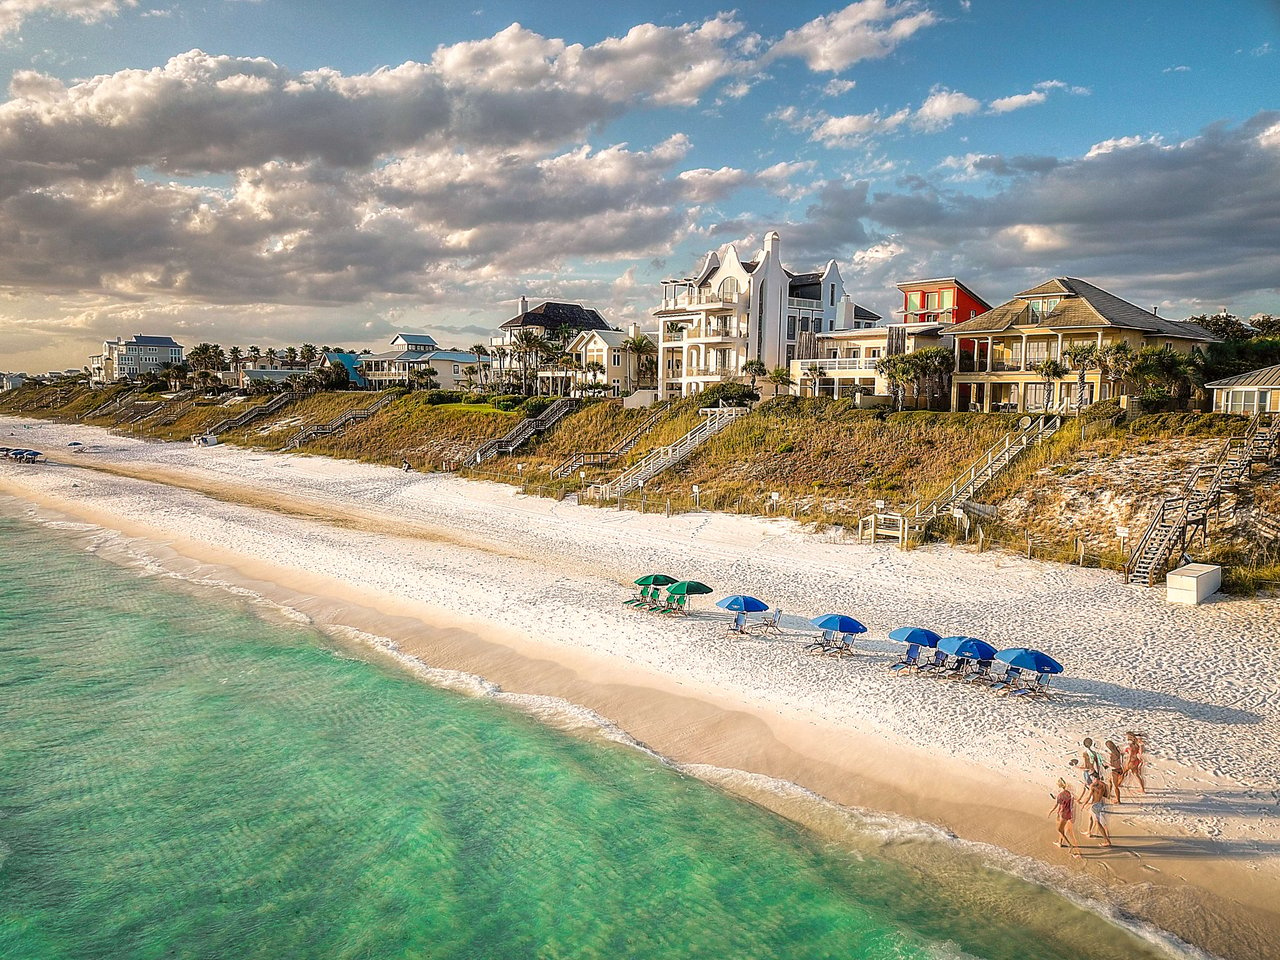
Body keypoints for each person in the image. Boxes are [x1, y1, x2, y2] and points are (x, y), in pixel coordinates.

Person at [1049, 778, 1081, 857]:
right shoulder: (1069, 793)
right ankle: (1060, 842)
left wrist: (1051, 811)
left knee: (1060, 829)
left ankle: (1070, 845)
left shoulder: (1060, 795)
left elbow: (1057, 805)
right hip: (1068, 813)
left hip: (1063, 813)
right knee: (1062, 828)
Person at [1078, 776, 1113, 847]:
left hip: (1095, 806)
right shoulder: (1104, 785)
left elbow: (1088, 797)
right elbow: (1107, 796)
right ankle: (1089, 832)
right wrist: (1110, 784)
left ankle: (1107, 841)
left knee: (1097, 823)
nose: (1092, 780)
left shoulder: (1093, 786)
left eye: (1093, 779)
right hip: (1100, 804)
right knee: (1090, 817)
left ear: (1095, 779)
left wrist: (1083, 804)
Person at [1104, 740, 1125, 804]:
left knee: (1115, 786)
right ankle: (1108, 795)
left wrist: (1106, 764)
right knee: (1109, 781)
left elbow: (1112, 765)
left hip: (1114, 771)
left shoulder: (1112, 755)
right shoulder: (1117, 751)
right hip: (1120, 769)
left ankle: (1118, 800)